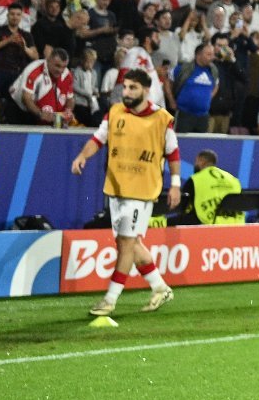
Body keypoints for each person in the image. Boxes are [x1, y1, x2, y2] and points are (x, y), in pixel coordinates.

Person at [68, 70, 179, 317]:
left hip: (142, 191)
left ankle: (109, 300)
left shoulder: (162, 119)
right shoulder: (115, 112)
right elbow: (97, 139)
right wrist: (82, 156)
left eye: (133, 88)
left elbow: (173, 153)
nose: (126, 93)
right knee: (128, 242)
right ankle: (160, 287)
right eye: (125, 87)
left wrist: (175, 184)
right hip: (116, 189)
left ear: (146, 90)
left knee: (127, 243)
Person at [177, 149, 243, 225]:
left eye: (196, 161)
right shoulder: (233, 179)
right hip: (236, 223)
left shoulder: (195, 179)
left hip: (207, 223)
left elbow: (182, 206)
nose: (195, 164)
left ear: (201, 161)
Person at [13, 48, 75, 127]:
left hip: (46, 111)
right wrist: (40, 113)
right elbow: (26, 98)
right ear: (48, 60)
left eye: (64, 67)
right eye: (57, 66)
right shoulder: (34, 70)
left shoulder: (67, 74)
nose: (60, 70)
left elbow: (70, 98)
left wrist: (68, 111)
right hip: (20, 109)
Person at [172, 43, 218, 134]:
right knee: (182, 144)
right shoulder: (183, 68)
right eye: (208, 54)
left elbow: (216, 85)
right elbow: (168, 81)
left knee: (201, 145)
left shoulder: (213, 70)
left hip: (203, 116)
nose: (212, 57)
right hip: (184, 115)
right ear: (198, 55)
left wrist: (208, 97)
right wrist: (171, 100)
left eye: (213, 54)